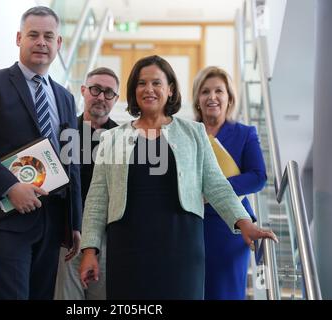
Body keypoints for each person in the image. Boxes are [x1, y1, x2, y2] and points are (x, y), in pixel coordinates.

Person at [78, 55, 277, 300]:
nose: (148, 89)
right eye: (141, 83)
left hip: (181, 246)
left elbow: (216, 184)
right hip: (127, 247)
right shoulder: (112, 138)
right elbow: (97, 199)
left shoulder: (193, 132)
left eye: (156, 83)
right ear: (133, 90)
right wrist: (90, 250)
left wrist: (244, 223)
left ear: (170, 89)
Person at [0, 6, 82, 300]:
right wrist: (10, 187)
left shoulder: (65, 97)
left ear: (58, 44)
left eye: (49, 36)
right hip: (8, 218)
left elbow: (72, 162)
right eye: (34, 35)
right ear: (18, 38)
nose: (41, 42)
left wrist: (75, 222)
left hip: (52, 221)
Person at [192, 66, 267, 300]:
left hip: (232, 227)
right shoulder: (186, 133)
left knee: (226, 292)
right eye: (205, 91)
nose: (212, 97)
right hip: (193, 225)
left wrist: (215, 191)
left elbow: (258, 176)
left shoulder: (245, 133)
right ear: (197, 99)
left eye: (219, 91)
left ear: (229, 98)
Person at [54, 67, 119, 300]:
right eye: (95, 89)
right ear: (83, 91)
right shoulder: (63, 132)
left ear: (116, 99)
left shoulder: (125, 139)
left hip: (107, 239)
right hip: (69, 234)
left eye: (109, 92)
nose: (101, 96)